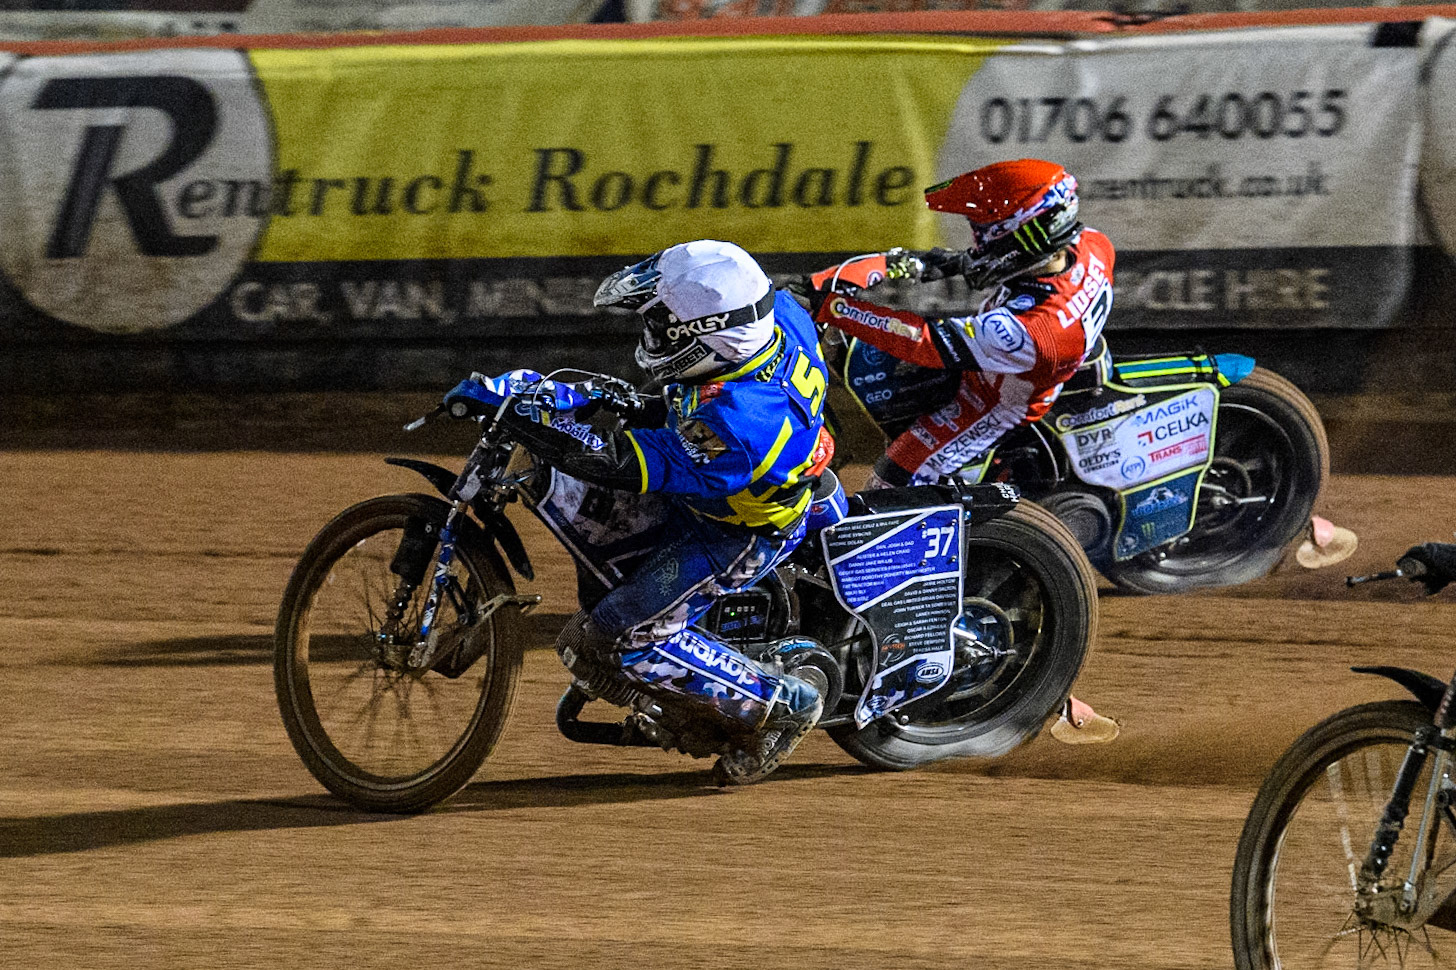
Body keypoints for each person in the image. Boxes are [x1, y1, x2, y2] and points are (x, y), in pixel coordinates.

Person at [469, 239, 833, 784]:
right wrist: (612, 401)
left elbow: (622, 462)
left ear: (707, 335)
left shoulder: (741, 423)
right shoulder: (771, 313)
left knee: (620, 631)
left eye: (662, 324)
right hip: (738, 472)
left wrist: (534, 419)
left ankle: (785, 702)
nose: (651, 334)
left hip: (734, 531)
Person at [809, 158, 1114, 490]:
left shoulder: (1032, 331)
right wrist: (936, 264)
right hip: (1007, 366)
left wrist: (835, 309)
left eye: (985, 234)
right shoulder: (1092, 245)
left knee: (900, 469)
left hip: (993, 404)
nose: (978, 244)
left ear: (1026, 238)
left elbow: (923, 341)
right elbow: (984, 268)